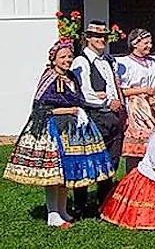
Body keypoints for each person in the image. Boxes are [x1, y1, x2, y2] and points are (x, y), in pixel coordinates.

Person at [4, 38, 115, 228]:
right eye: (63, 57)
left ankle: (63, 210)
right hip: (53, 130)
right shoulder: (49, 77)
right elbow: (41, 109)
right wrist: (70, 110)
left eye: (70, 56)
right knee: (54, 174)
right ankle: (53, 214)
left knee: (66, 174)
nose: (67, 60)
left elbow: (78, 100)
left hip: (72, 130)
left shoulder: (71, 77)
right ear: (54, 59)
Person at [70, 20, 125, 216]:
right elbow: (84, 93)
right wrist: (107, 101)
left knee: (111, 161)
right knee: (87, 160)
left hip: (113, 117)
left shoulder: (109, 60)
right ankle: (81, 205)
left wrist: (118, 104)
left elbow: (114, 86)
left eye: (104, 36)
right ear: (88, 38)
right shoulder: (81, 61)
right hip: (94, 116)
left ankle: (104, 202)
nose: (101, 40)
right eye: (97, 36)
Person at [117, 28, 155, 172]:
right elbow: (122, 90)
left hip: (154, 108)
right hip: (137, 110)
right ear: (135, 44)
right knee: (138, 150)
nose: (150, 46)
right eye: (146, 43)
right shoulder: (125, 64)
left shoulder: (153, 63)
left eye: (150, 43)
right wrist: (143, 90)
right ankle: (134, 178)